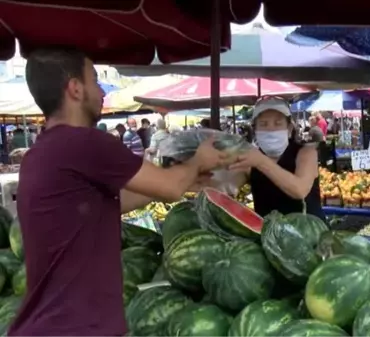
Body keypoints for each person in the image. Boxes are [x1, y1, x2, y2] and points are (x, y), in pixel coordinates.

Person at [10, 47, 230, 337]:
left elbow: (109, 203)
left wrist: (182, 180)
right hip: (74, 327)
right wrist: (199, 159)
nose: (102, 92)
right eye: (95, 81)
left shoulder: (40, 153)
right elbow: (171, 187)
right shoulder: (85, 142)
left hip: (49, 324)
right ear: (75, 89)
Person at [226, 96, 325, 221]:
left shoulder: (306, 153)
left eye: (278, 123)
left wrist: (261, 161)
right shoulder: (251, 159)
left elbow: (299, 190)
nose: (271, 129)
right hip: (267, 236)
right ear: (255, 129)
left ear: (289, 129)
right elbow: (226, 188)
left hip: (310, 237)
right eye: (263, 124)